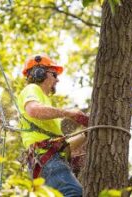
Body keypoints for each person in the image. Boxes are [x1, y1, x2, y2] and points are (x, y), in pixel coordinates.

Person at [17, 54, 86, 196]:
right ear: (39, 73)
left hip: (48, 160)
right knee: (72, 191)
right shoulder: (32, 89)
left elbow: (59, 146)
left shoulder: (46, 103)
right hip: (46, 160)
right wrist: (69, 113)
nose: (57, 79)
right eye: (54, 74)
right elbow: (33, 110)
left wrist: (86, 133)